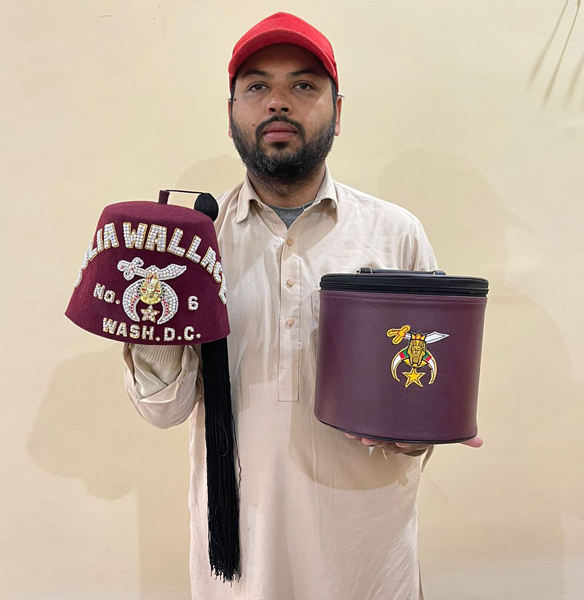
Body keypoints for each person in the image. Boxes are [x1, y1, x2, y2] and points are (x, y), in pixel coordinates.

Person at [123, 12, 482, 600]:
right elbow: (164, 411)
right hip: (241, 560)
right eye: (257, 86)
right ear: (231, 113)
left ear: (337, 113)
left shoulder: (394, 233)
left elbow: (420, 400)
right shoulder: (193, 244)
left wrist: (421, 428)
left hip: (369, 557)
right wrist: (146, 311)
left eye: (304, 85)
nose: (278, 101)